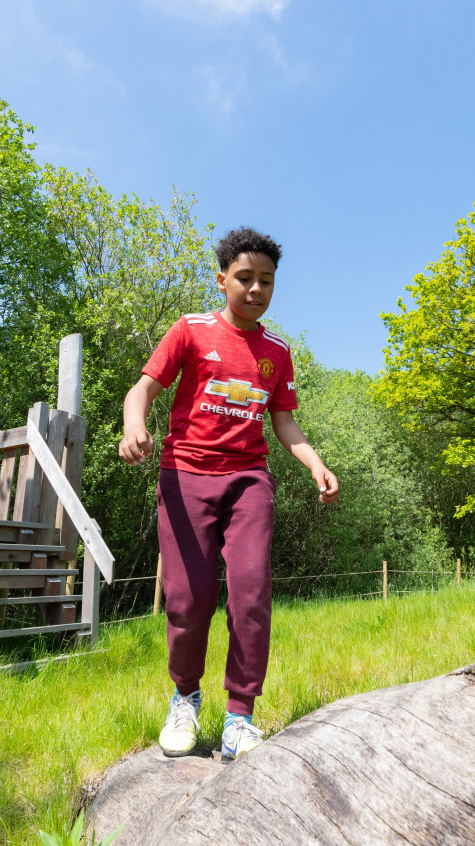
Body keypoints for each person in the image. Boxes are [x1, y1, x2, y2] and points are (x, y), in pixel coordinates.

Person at [119, 227, 339, 761]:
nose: (256, 289)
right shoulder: (191, 331)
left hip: (248, 481)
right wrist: (133, 426)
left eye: (267, 281)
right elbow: (143, 387)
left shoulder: (277, 352)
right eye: (245, 278)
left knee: (250, 595)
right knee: (188, 598)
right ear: (222, 280)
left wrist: (315, 463)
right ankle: (185, 698)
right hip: (185, 477)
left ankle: (240, 716)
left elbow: (284, 422)